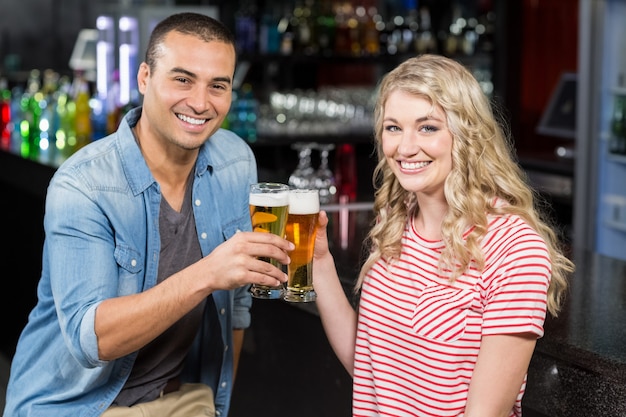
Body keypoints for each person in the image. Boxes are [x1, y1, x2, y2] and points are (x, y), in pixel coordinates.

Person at [3, 12, 293, 417]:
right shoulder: (83, 185)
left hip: (181, 400)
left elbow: (238, 306)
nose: (200, 102)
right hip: (77, 406)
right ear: (144, 78)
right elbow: (93, 340)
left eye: (218, 86)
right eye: (182, 79)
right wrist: (208, 273)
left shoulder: (235, 160)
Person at [313, 54, 575, 417]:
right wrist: (319, 262)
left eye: (427, 127)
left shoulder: (514, 249)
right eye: (393, 127)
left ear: (466, 133)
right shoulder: (395, 219)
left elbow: (484, 413)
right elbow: (373, 372)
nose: (404, 148)